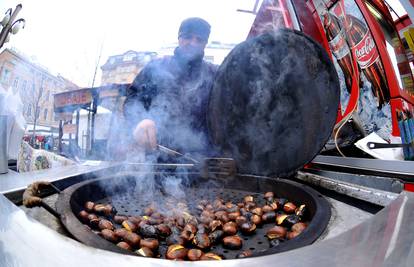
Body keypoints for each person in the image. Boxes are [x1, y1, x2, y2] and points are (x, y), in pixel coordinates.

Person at [119, 17, 218, 160]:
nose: (193, 43)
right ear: (179, 38)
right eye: (188, 37)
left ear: (205, 44)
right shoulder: (155, 68)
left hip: (202, 162)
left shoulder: (214, 74)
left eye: (199, 39)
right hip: (160, 157)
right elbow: (132, 101)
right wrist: (140, 121)